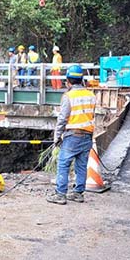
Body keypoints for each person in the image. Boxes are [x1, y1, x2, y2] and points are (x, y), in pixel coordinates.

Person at [48, 65, 96, 205]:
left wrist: (57, 137)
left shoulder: (68, 96)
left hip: (72, 136)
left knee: (63, 164)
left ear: (68, 81)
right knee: (81, 165)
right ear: (82, 80)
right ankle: (78, 193)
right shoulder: (91, 95)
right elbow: (91, 115)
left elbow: (62, 119)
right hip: (87, 135)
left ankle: (60, 194)